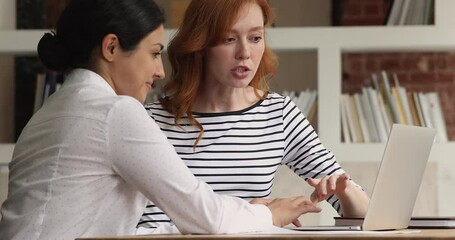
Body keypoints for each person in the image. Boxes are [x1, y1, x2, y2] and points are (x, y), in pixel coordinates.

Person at [0, 0, 321, 239]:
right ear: (111, 48)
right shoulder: (115, 113)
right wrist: (269, 213)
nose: (160, 70)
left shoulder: (51, 111)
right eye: (153, 53)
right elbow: (204, 216)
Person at [141, 0, 370, 233]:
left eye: (255, 38)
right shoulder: (150, 121)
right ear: (200, 44)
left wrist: (344, 190)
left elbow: (366, 216)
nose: (244, 53)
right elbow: (145, 228)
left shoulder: (278, 114)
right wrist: (252, 216)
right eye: (229, 39)